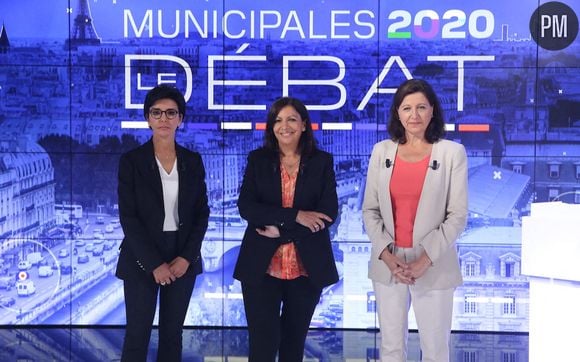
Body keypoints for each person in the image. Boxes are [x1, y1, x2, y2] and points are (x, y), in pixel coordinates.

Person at [362, 79, 468, 362]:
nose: (414, 115)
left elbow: (457, 216)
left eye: (421, 107)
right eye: (407, 108)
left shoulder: (451, 153)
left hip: (433, 262)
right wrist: (386, 254)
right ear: (397, 113)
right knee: (391, 348)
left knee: (434, 350)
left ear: (433, 111)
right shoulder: (381, 152)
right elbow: (369, 211)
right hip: (389, 264)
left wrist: (424, 259)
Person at [234, 96, 339, 362]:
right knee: (262, 347)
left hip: (306, 269)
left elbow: (328, 214)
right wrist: (297, 215)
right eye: (278, 120)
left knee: (293, 348)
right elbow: (248, 207)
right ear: (271, 127)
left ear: (304, 125)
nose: (285, 126)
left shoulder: (321, 162)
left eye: (292, 119)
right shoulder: (258, 160)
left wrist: (283, 232)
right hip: (261, 268)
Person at [116, 85, 209, 362]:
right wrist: (154, 264)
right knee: (137, 335)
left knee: (172, 336)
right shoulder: (131, 161)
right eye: (156, 113)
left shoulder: (192, 161)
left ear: (181, 119)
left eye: (171, 113)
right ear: (148, 118)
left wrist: (186, 258)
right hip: (141, 257)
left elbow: (201, 213)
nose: (164, 119)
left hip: (183, 255)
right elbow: (128, 218)